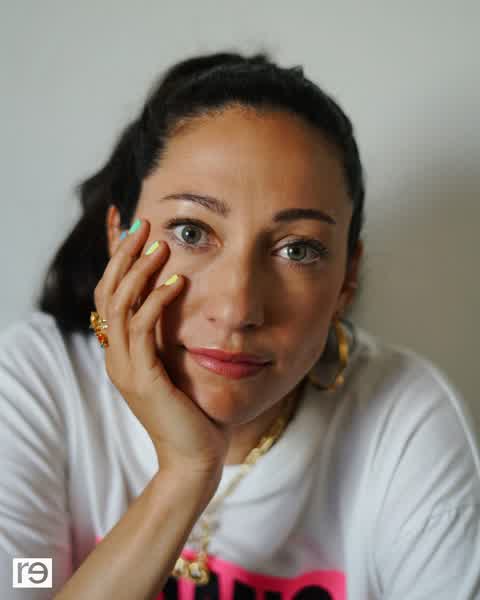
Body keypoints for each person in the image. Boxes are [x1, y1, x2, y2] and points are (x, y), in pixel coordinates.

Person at [0, 51, 479, 600]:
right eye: (190, 232)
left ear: (347, 278)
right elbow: (24, 581)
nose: (237, 309)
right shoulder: (39, 385)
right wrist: (185, 474)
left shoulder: (402, 419)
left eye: (297, 249)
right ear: (118, 236)